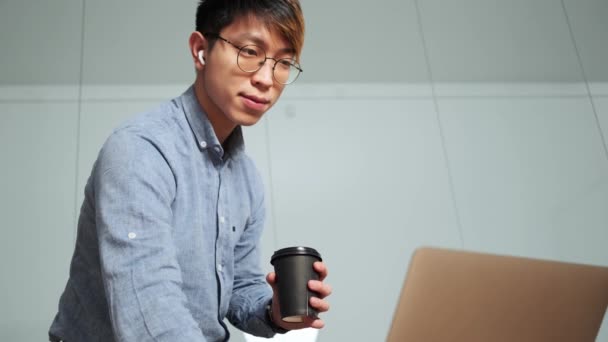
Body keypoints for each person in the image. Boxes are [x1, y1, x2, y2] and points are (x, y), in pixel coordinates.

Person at [48, 0, 332, 340]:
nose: (267, 78)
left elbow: (239, 284)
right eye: (250, 51)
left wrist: (275, 313)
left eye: (284, 62)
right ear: (200, 50)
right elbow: (151, 316)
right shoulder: (140, 151)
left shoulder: (247, 179)